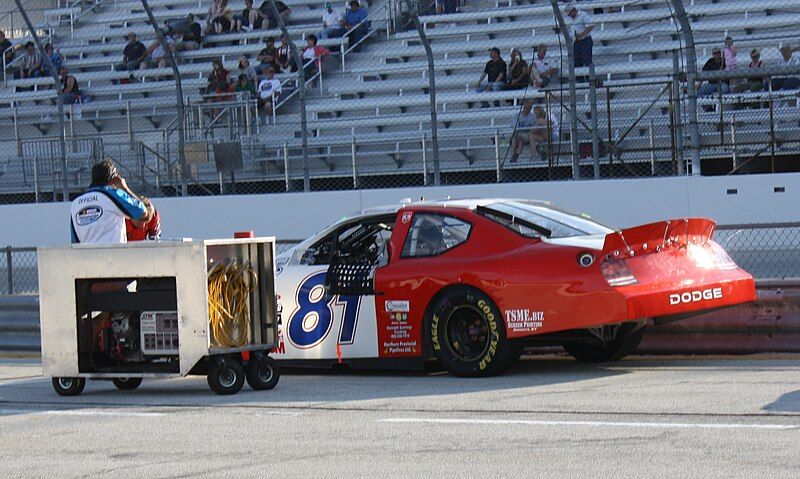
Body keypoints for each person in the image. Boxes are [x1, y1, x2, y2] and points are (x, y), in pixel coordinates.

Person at [70, 160, 153, 244]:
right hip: (113, 254)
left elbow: (75, 241)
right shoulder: (113, 194)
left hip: (87, 255)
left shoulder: (76, 203)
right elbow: (142, 212)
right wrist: (124, 188)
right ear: (113, 179)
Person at [566, 3, 593, 68]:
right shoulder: (571, 19)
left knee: (587, 61)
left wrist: (581, 35)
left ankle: (588, 77)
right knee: (577, 62)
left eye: (570, 14)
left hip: (585, 41)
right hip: (576, 42)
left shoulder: (583, 15)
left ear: (573, 11)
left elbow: (590, 26)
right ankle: (579, 77)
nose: (570, 16)